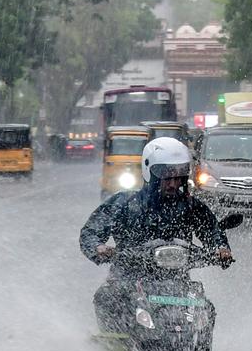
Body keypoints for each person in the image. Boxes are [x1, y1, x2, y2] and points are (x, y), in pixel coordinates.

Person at [79, 137, 233, 330]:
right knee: (107, 297)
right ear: (151, 173)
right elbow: (91, 231)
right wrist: (98, 247)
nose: (173, 184)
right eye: (167, 177)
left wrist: (221, 248)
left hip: (176, 280)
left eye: (178, 177)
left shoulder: (191, 207)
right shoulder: (124, 203)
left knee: (205, 308)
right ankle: (114, 347)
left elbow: (211, 230)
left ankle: (197, 347)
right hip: (128, 276)